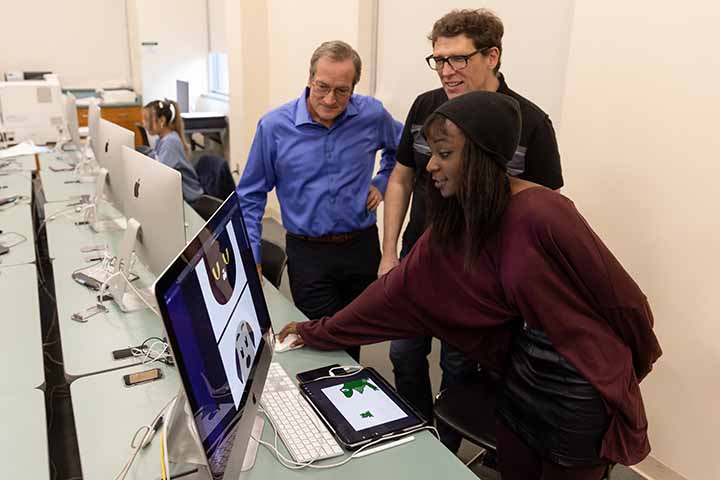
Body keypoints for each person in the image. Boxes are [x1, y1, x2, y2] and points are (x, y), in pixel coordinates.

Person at [279, 91, 662, 480]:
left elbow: (626, 304)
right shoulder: (458, 219)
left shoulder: (545, 213)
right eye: (432, 152)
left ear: (481, 156)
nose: (430, 166)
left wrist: (622, 380)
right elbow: (395, 292)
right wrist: (318, 331)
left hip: (578, 394)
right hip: (517, 381)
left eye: (445, 154)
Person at [379, 9, 564, 444]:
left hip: (477, 278)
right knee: (402, 354)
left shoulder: (530, 124)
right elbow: (402, 177)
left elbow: (544, 208)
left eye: (458, 59)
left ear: (492, 55)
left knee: (459, 367)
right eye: (439, 59)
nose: (447, 70)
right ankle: (417, 436)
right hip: (418, 262)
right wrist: (389, 254)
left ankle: (443, 450)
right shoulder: (426, 107)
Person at [236, 41, 402, 362]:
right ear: (310, 78)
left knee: (353, 337)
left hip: (361, 248)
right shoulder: (274, 127)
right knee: (321, 343)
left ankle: (343, 402)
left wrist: (382, 182)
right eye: (322, 87)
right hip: (308, 253)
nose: (330, 99)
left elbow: (403, 148)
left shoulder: (371, 114)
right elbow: (251, 196)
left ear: (353, 87)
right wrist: (252, 253)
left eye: (342, 91)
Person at [142, 99, 204, 203]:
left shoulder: (170, 142)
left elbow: (161, 176)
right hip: (179, 196)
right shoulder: (163, 139)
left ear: (161, 120)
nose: (144, 124)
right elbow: (156, 159)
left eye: (147, 120)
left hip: (189, 201)